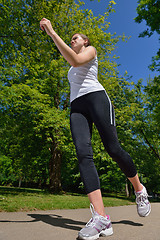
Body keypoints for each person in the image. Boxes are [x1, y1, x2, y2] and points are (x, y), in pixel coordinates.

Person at [40, 18, 151, 240]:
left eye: (75, 38)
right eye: (71, 38)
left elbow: (76, 61)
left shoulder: (91, 50)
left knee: (113, 149)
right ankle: (101, 218)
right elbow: (70, 60)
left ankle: (139, 190)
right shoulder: (71, 63)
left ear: (85, 41)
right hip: (77, 106)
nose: (72, 40)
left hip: (96, 99)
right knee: (83, 153)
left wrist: (53, 32)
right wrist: (54, 36)